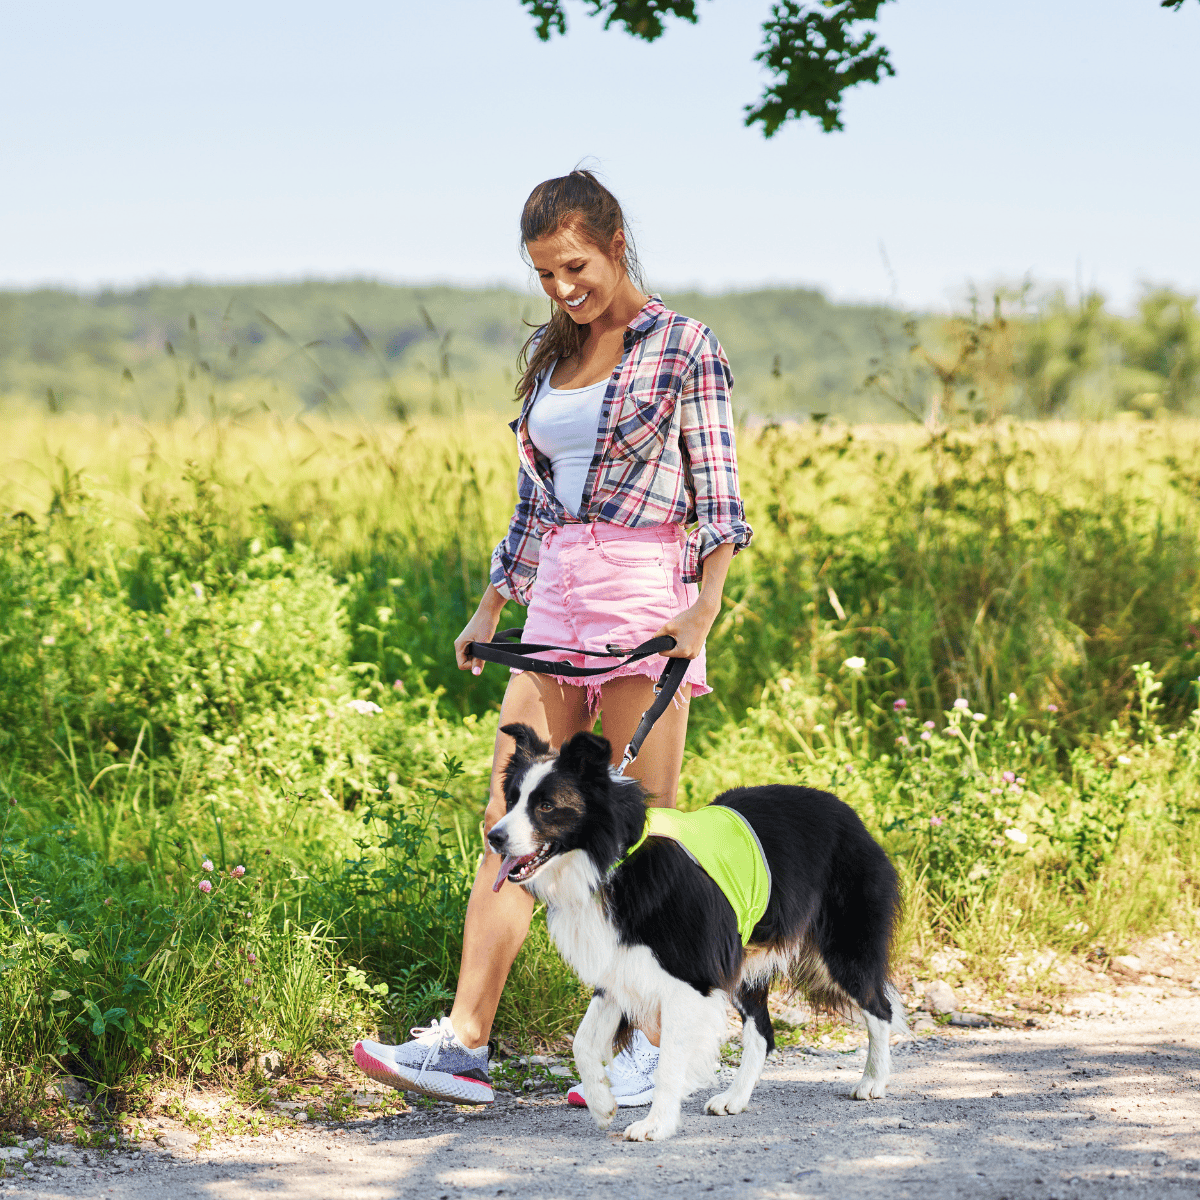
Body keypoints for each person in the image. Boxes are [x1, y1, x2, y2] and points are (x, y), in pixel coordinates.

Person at [353, 170, 752, 1109]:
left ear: (615, 242)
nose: (562, 287)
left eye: (573, 265)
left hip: (641, 596)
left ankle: (662, 1038)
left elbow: (721, 496)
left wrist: (704, 608)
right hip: (557, 600)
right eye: (543, 273)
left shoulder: (684, 345)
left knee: (640, 829)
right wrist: (495, 602)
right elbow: (538, 501)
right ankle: (462, 1043)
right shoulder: (554, 358)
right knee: (511, 815)